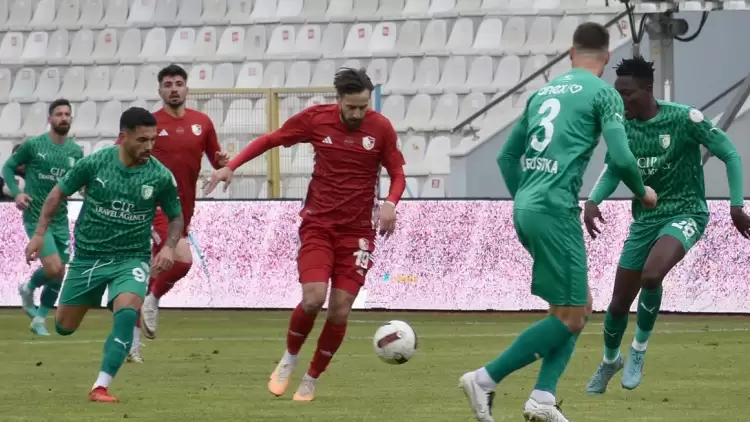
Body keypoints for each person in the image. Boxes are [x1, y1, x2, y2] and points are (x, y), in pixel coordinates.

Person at [458, 23, 658, 422]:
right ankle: (485, 378)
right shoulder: (604, 94)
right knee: (572, 315)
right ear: (604, 58)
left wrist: (528, 200)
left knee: (574, 307)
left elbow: (505, 158)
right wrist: (642, 192)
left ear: (570, 54)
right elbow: (620, 158)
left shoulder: (541, 93)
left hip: (528, 205)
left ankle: (543, 398)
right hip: (554, 210)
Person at [203, 67, 406, 401]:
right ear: (338, 100)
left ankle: (311, 377)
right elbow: (271, 139)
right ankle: (289, 359)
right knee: (313, 300)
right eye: (351, 106)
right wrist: (231, 165)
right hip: (318, 225)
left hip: (357, 233)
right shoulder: (316, 119)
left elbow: (397, 172)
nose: (357, 113)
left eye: (363, 107)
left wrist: (390, 203)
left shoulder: (380, 128)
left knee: (340, 309)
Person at [583, 56, 750, 394]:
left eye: (627, 93)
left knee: (652, 274)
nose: (621, 100)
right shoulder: (622, 127)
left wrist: (736, 205)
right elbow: (615, 168)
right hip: (644, 220)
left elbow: (730, 153)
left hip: (686, 212)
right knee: (617, 304)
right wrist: (592, 201)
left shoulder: (684, 118)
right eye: (617, 94)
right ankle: (609, 360)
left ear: (647, 89)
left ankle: (638, 352)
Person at [25, 107, 183, 403]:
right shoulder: (96, 163)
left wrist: (169, 246)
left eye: (153, 139)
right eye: (142, 140)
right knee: (64, 327)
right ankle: (101, 299)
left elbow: (176, 217)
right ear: (123, 137)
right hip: (88, 257)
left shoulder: (160, 175)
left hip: (131, 258)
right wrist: (38, 234)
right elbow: (57, 194)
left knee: (126, 314)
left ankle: (101, 386)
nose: (149, 146)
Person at [124, 64, 228, 363]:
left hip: (183, 209)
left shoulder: (202, 123)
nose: (173, 88)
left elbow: (215, 157)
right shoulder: (150, 124)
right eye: (167, 84)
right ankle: (153, 300)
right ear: (160, 91)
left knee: (145, 271)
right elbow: (122, 152)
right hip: (152, 205)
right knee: (181, 258)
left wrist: (222, 164)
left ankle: (131, 342)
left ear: (186, 88)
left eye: (178, 83)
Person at [2, 99, 83, 335]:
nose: (63, 118)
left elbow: (77, 182)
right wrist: (17, 194)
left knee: (60, 271)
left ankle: (39, 318)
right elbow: (7, 168)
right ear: (50, 119)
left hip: (60, 218)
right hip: (36, 217)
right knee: (53, 266)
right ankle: (27, 288)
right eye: (59, 114)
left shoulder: (76, 152)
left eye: (67, 114)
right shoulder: (35, 145)